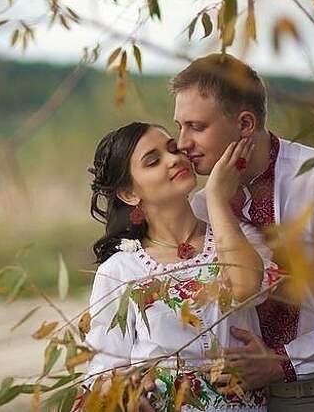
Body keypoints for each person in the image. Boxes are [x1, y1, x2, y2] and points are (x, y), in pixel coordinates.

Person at [172, 53, 314, 411]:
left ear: (246, 124)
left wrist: (285, 362)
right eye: (179, 126)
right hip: (249, 404)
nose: (182, 143)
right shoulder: (205, 206)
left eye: (196, 127)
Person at [84, 121, 280, 411]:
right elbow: (102, 367)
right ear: (128, 193)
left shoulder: (235, 239)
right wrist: (126, 391)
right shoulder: (121, 271)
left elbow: (248, 288)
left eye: (173, 148)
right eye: (153, 161)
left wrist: (216, 198)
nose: (174, 159)